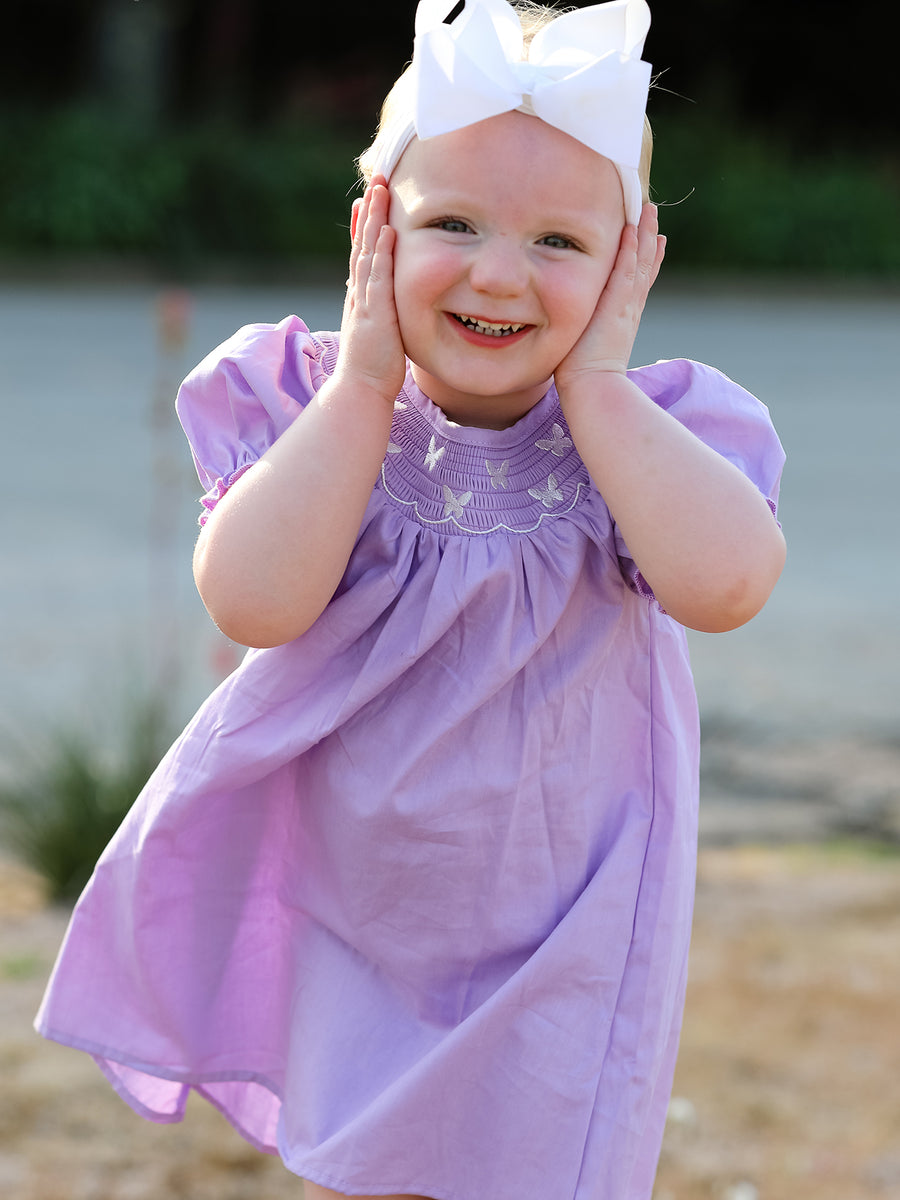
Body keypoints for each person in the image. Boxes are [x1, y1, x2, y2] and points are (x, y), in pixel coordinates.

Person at [36, 1, 786, 1197]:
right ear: (372, 230)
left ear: (632, 260)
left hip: (568, 934)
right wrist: (364, 389)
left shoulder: (652, 439)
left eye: (559, 243)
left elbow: (730, 584)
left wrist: (597, 386)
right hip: (353, 915)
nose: (499, 271)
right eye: (453, 223)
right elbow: (253, 603)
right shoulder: (308, 409)